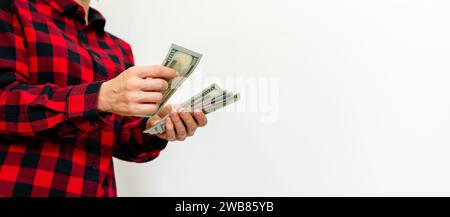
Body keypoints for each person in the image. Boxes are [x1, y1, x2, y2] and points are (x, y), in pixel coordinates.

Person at [0, 0, 208, 197]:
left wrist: (154, 128)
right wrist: (100, 98)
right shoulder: (12, 8)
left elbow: (117, 139)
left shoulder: (118, 49)